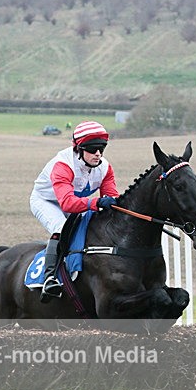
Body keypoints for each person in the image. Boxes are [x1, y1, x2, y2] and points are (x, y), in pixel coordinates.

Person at [30, 120, 119, 301]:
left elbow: (112, 199)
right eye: (92, 149)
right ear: (78, 148)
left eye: (101, 148)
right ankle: (49, 279)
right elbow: (68, 204)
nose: (98, 154)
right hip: (48, 201)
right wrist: (97, 202)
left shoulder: (105, 167)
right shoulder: (63, 165)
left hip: (75, 202)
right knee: (63, 228)